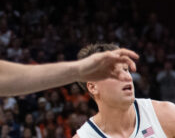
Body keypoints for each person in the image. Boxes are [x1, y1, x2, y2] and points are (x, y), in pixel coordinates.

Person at [0, 48, 138, 97]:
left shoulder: (150, 111)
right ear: (92, 87)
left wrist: (78, 70)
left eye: (126, 70)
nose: (126, 77)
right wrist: (78, 70)